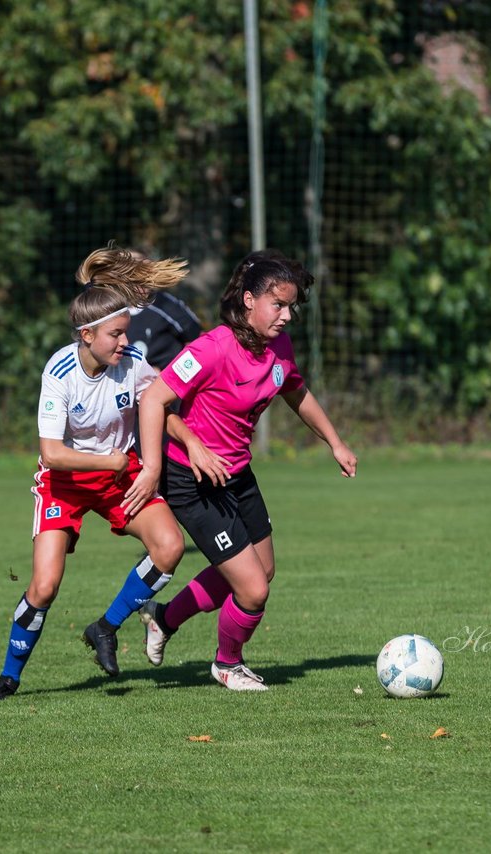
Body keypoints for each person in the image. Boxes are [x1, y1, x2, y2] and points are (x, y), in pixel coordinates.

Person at [130, 249, 357, 692]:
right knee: (252, 590)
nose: (287, 315)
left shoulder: (279, 348)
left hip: (237, 473)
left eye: (291, 306)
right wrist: (158, 465)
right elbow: (153, 399)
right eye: (279, 305)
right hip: (193, 480)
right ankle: (227, 664)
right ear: (249, 300)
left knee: (262, 570)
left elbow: (297, 392)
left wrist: (335, 441)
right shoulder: (212, 348)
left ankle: (163, 618)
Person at [0, 246, 189, 702]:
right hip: (67, 483)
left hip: (118, 479)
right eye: (114, 334)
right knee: (45, 585)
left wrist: (194, 445)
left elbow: (159, 407)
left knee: (169, 547)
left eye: (125, 332)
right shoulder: (60, 370)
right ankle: (9, 679)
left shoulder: (131, 364)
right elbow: (51, 454)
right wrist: (113, 462)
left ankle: (105, 628)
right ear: (87, 334)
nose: (123, 343)